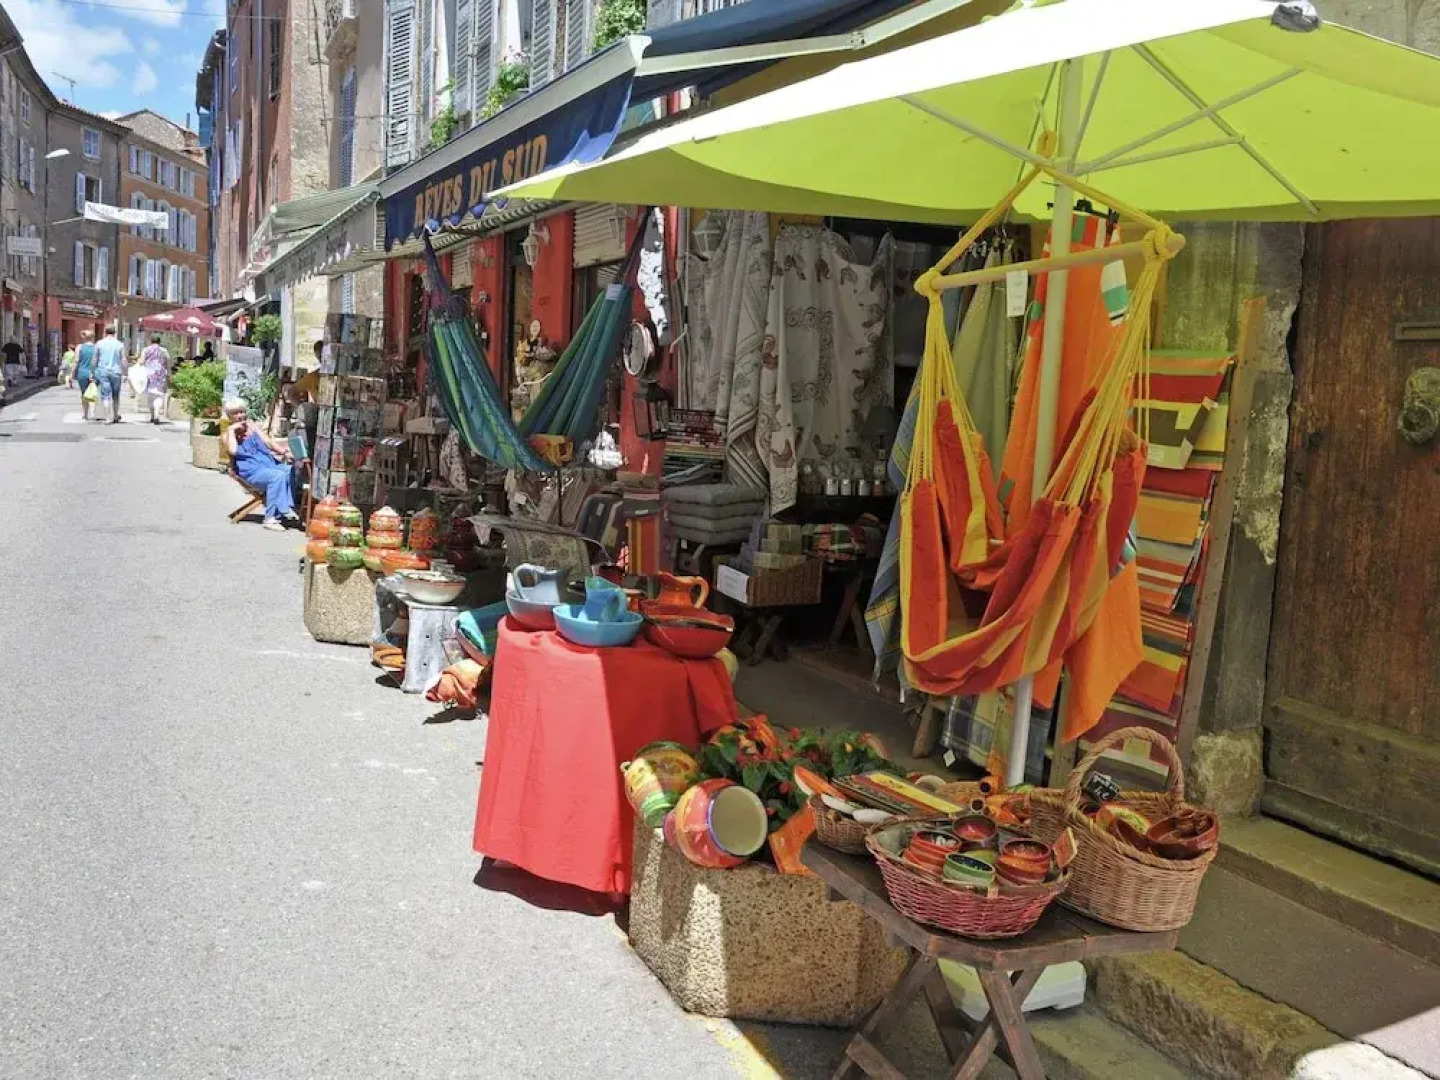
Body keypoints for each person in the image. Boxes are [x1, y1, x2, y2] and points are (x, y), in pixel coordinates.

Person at [223, 398, 299, 531]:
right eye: (235, 413)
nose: (240, 416)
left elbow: (269, 443)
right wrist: (231, 431)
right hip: (251, 471)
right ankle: (270, 518)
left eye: (241, 412)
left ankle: (283, 510)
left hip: (268, 463)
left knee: (290, 470)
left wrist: (284, 452)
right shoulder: (228, 435)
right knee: (277, 476)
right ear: (229, 417)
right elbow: (233, 451)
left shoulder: (252, 426)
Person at [92, 325, 127, 424]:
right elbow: (123, 359)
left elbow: (95, 358)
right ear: (115, 332)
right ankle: (115, 415)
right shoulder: (120, 344)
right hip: (116, 372)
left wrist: (92, 371)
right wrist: (125, 373)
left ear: (105, 332)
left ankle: (107, 417)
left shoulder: (99, 343)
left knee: (105, 395)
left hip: (103, 372)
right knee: (116, 395)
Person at [138, 335, 170, 424]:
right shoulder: (164, 351)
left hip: (149, 375)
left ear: (151, 341)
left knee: (150, 396)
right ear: (159, 341)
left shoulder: (146, 350)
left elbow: (141, 362)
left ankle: (152, 416)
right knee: (159, 396)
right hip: (160, 376)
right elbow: (168, 364)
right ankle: (156, 415)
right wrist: (169, 376)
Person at [74, 330, 97, 421]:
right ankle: (93, 413)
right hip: (94, 372)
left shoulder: (79, 347)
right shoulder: (96, 348)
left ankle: (85, 414)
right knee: (93, 393)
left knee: (84, 393)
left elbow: (76, 361)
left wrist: (72, 374)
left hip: (82, 372)